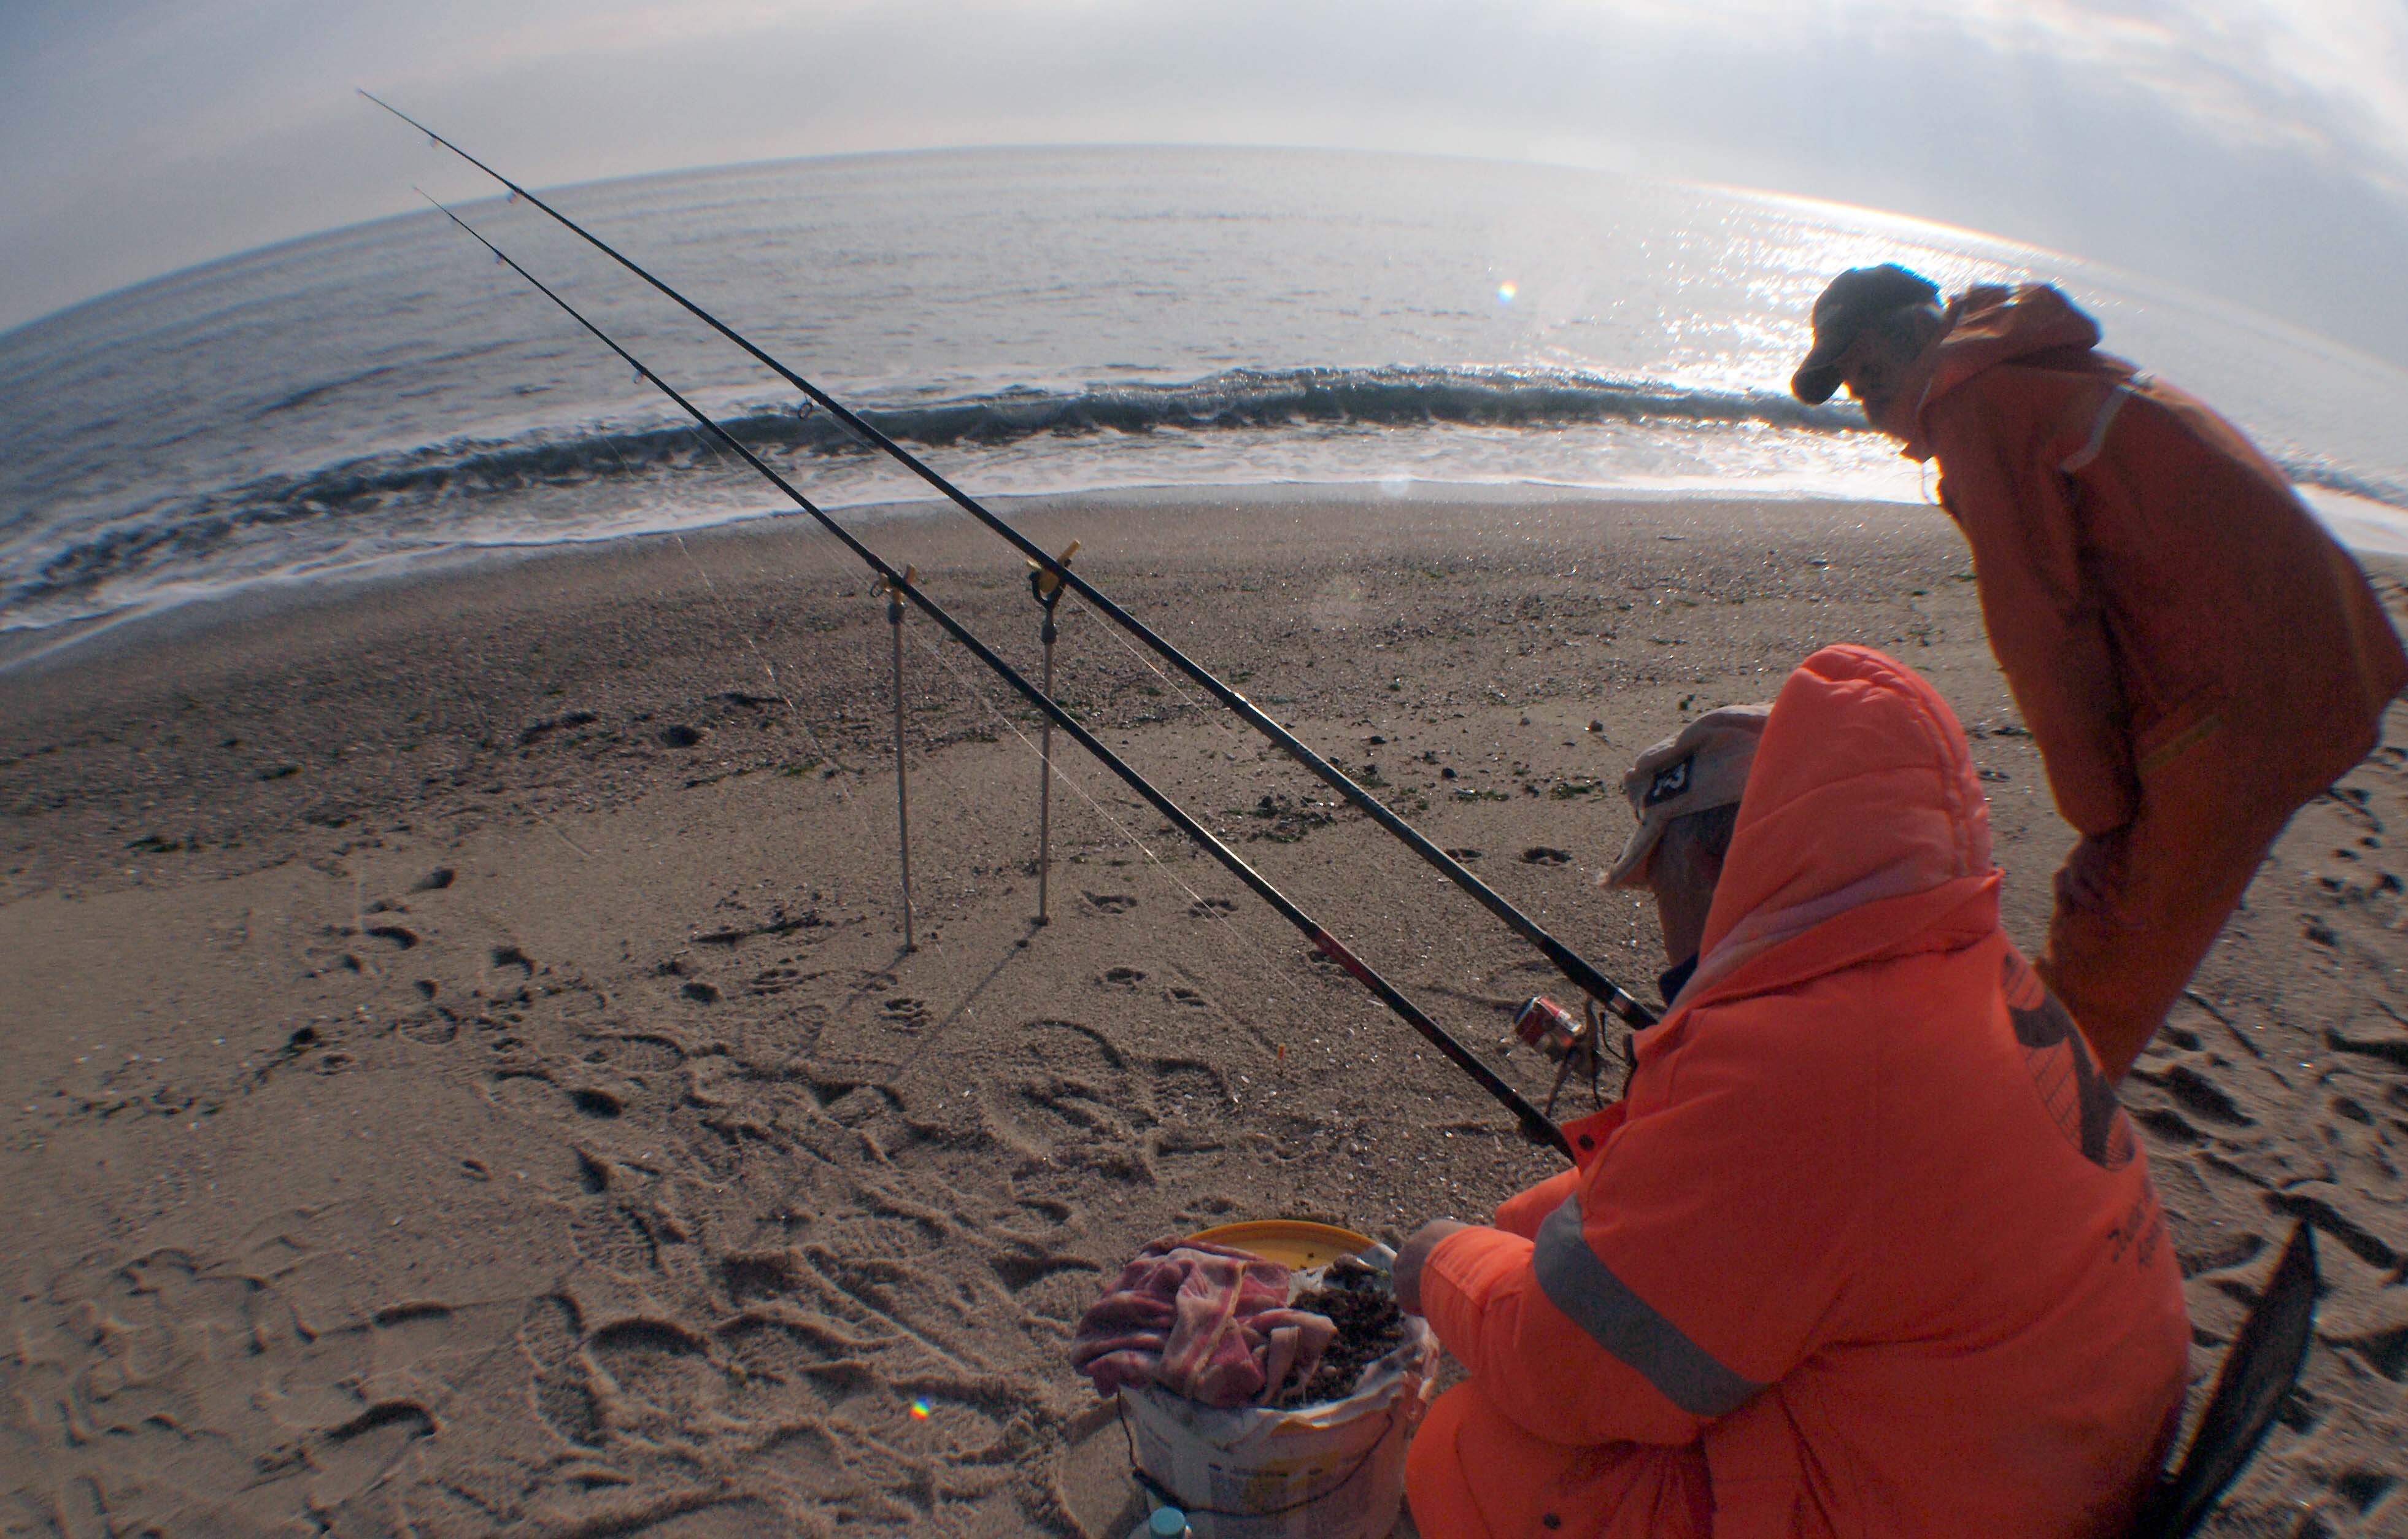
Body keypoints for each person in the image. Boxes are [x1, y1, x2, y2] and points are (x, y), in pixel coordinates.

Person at [1392, 644, 2190, 1539]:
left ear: (1709, 865)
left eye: (1658, 890)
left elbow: (1565, 1370)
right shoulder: (1961, 964)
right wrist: (1518, 1231)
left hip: (1957, 1504)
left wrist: (1438, 1260)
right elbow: (1748, 1200)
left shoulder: (1795, 1066)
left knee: (1474, 1449)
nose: (1663, 944)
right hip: (2066, 1458)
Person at [1790, 264, 2406, 1081]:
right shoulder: (2026, 359)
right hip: (2324, 652)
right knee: (2110, 921)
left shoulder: (1976, 402)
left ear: (1909, 344)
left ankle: (2014, 1151)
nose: (1871, 409)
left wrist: (2103, 818)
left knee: (2105, 951)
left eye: (1867, 378)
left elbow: (2043, 632)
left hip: (2251, 693)